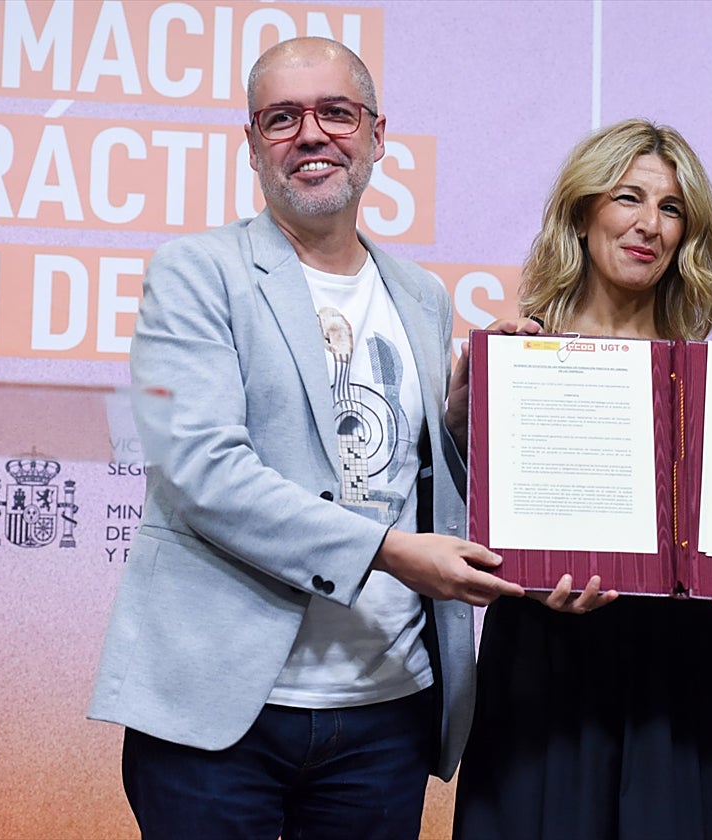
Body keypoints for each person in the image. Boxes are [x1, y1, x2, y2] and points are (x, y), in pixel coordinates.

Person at [88, 37, 523, 839]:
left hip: (385, 708)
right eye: (282, 118)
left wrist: (458, 421)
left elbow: (411, 474)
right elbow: (201, 471)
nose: (312, 134)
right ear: (250, 145)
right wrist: (389, 551)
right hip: (218, 712)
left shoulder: (421, 295)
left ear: (377, 134)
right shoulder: (192, 272)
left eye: (336, 113)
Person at [450, 119, 712, 840]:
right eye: (629, 198)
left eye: (672, 208)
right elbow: (446, 525)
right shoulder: (515, 359)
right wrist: (464, 419)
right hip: (542, 657)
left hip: (680, 668)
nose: (649, 225)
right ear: (584, 211)